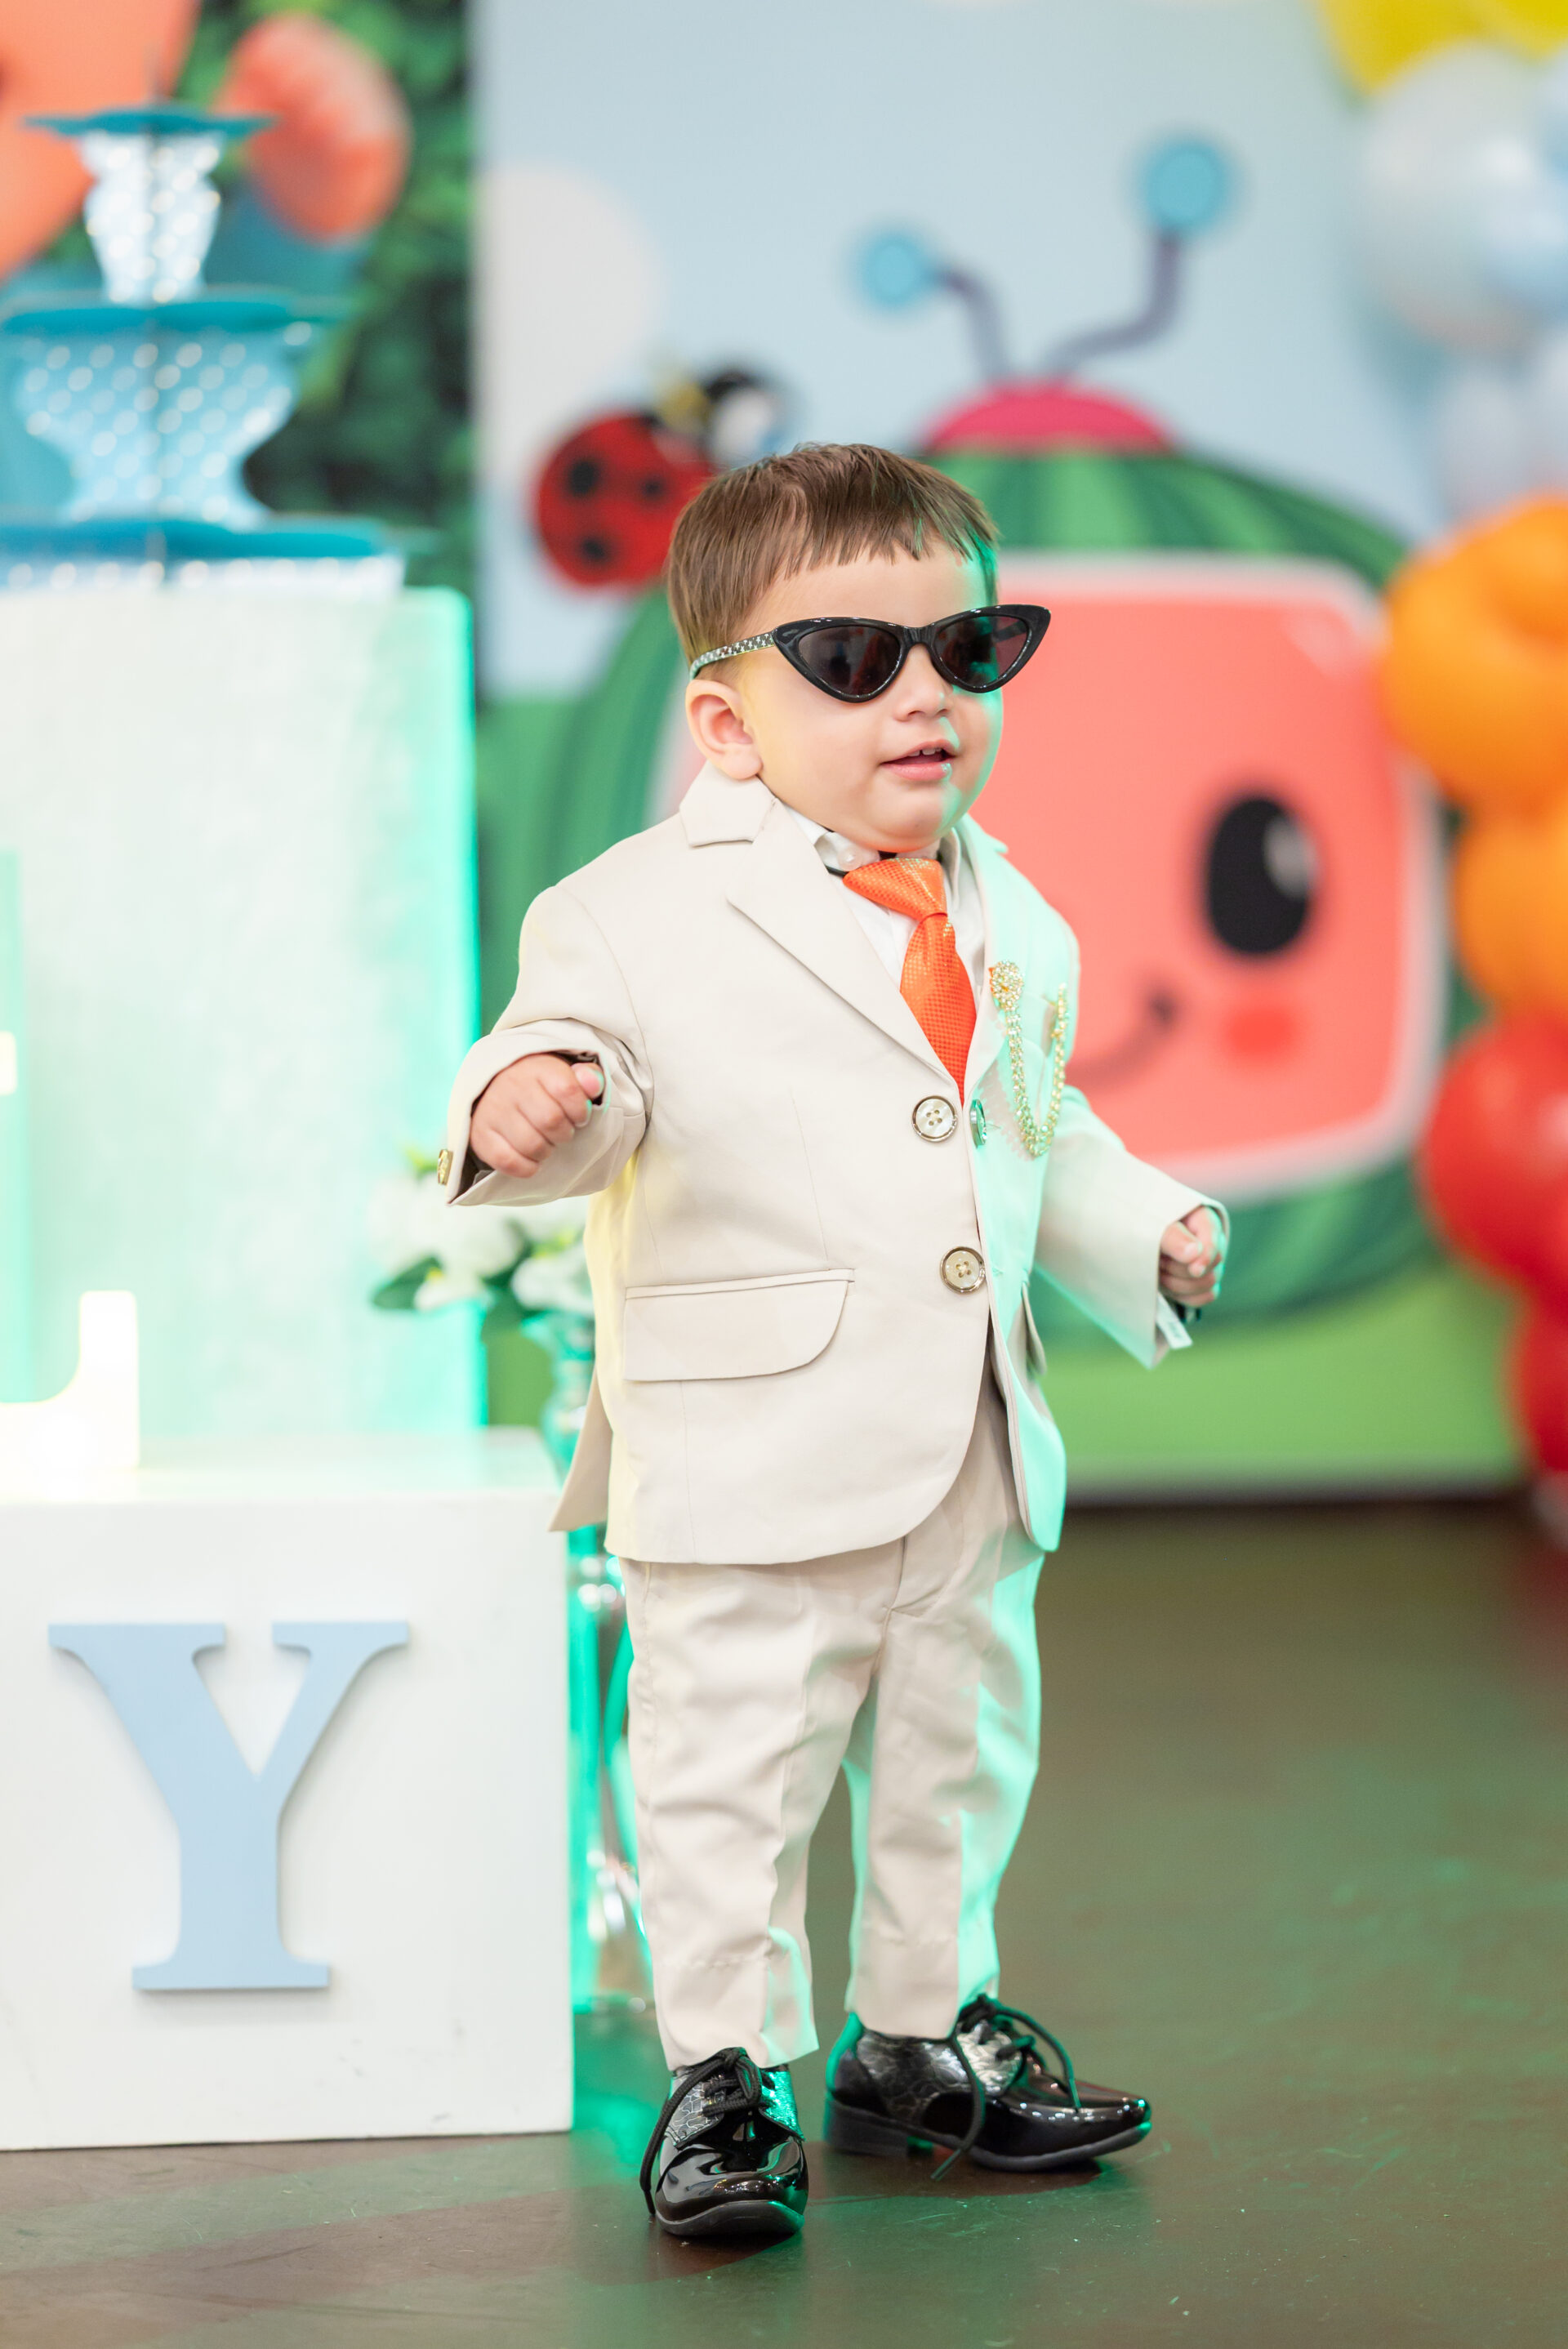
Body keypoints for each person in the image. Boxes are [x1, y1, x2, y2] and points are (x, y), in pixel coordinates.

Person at [442, 444, 1227, 2241]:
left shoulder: (1011, 910)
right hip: (750, 1453)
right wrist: (524, 1103)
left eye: (970, 648)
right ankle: (725, 2072)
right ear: (727, 725)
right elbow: (565, 1050)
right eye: (858, 662)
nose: (926, 697)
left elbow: (1030, 1126)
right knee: (731, 1768)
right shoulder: (633, 909)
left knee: (958, 1753)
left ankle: (918, 2034)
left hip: (967, 1441)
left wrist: (1145, 1230)